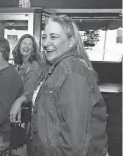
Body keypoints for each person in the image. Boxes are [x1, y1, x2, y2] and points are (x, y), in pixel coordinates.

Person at [10, 15, 108, 156]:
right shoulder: (54, 66)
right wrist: (20, 100)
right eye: (44, 37)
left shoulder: (72, 71)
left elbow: (75, 143)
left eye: (53, 37)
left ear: (71, 42)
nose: (46, 42)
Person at [10, 34, 41, 121]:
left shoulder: (34, 65)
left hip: (25, 111)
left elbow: (29, 92)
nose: (26, 46)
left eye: (29, 44)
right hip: (14, 107)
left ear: (33, 49)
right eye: (24, 43)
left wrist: (19, 100)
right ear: (19, 46)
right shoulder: (17, 65)